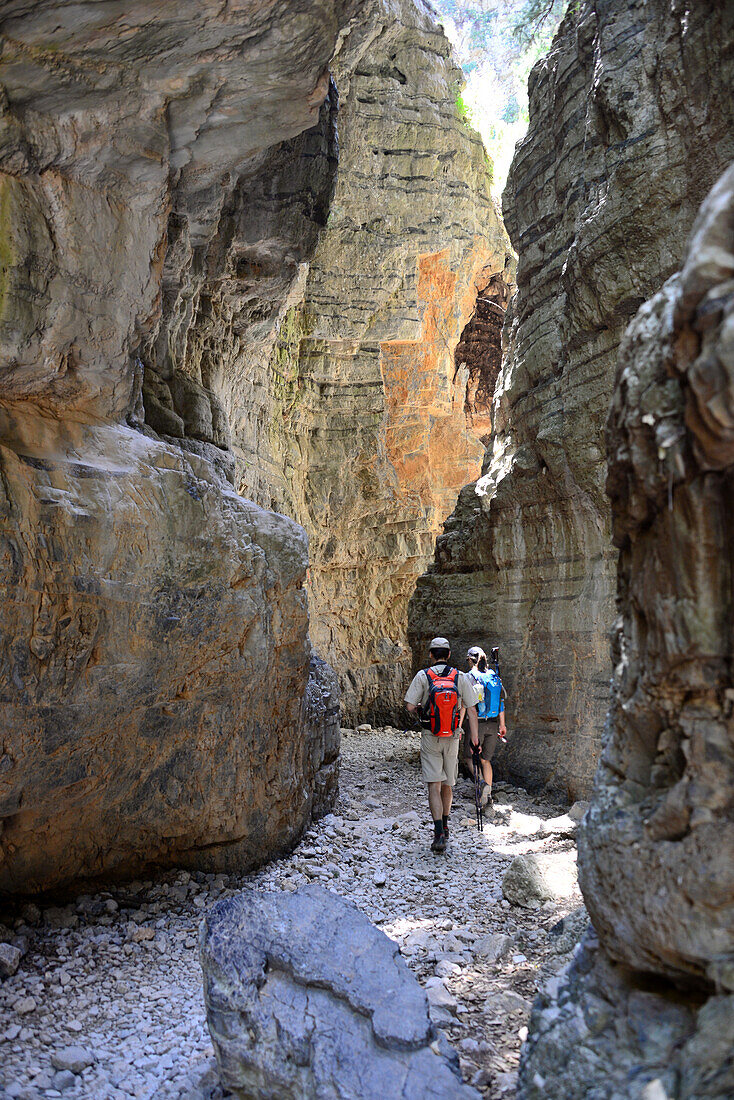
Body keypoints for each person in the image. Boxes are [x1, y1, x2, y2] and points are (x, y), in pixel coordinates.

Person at [405, 637, 480, 854]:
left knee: (434, 785)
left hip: (431, 735)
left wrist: (422, 708)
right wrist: (474, 739)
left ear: (431, 654)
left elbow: (410, 705)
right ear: (448, 655)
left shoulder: (423, 675)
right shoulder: (460, 677)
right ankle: (446, 825)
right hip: (454, 736)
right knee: (448, 783)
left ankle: (438, 833)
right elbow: (472, 709)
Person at [459, 645, 507, 811]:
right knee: (486, 760)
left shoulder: (469, 676)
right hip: (493, 724)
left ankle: (481, 784)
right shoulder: (493, 675)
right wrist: (502, 724)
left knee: (469, 757)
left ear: (470, 660)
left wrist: (459, 725)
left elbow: (466, 704)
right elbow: (501, 701)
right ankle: (489, 797)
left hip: (477, 723)